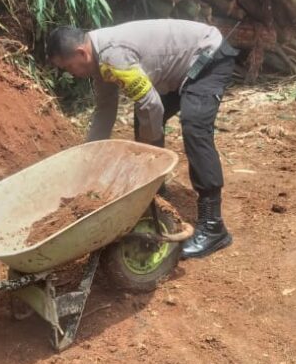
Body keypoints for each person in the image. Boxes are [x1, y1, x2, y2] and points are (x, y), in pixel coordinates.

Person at [47, 20, 238, 259]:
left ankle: (213, 226)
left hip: (208, 57)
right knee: (145, 118)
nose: (71, 74)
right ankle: (156, 191)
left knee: (194, 127)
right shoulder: (98, 59)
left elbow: (152, 105)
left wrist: (151, 155)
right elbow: (105, 109)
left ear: (81, 53)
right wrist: (88, 156)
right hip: (180, 69)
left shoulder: (112, 56)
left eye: (68, 67)